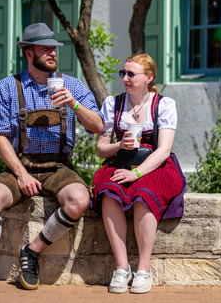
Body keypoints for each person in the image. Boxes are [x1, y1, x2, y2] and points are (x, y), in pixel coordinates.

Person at [0, 23, 103, 299]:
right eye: (45, 49)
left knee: (79, 199)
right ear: (28, 53)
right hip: (20, 163)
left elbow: (98, 125)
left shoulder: (72, 85)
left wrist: (74, 104)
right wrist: (20, 173)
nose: (53, 53)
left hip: (59, 165)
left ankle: (31, 251)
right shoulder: (6, 88)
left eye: (54, 48)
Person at [91, 54, 184, 294]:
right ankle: (122, 268)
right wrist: (119, 145)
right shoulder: (113, 104)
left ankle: (144, 269)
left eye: (131, 74)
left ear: (149, 78)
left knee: (144, 194)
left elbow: (164, 150)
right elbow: (101, 149)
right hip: (121, 161)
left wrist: (137, 173)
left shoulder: (163, 104)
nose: (125, 78)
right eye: (123, 73)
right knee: (109, 192)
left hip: (154, 164)